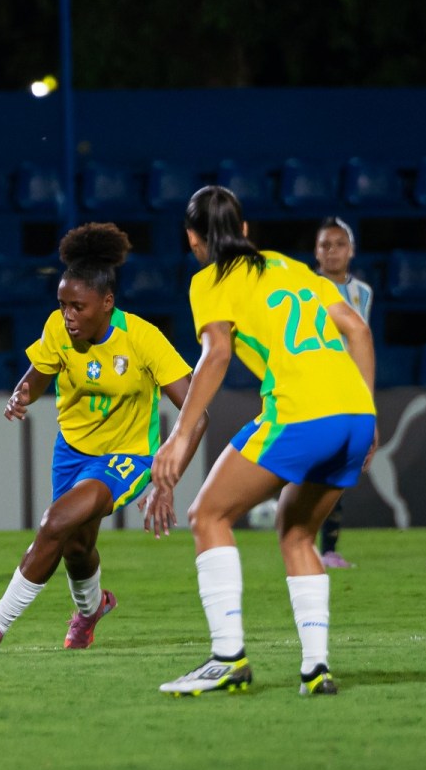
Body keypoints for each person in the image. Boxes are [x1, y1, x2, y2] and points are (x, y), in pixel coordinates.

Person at [147, 186, 377, 697]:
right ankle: (316, 670)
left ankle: (227, 658)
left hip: (302, 414)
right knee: (296, 532)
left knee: (208, 515)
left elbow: (217, 354)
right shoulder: (291, 268)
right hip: (355, 415)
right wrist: (369, 412)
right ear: (246, 231)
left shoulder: (210, 280)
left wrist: (179, 436)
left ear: (192, 239)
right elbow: (357, 330)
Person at [0, 224, 205, 655]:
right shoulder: (58, 329)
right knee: (76, 544)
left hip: (127, 456)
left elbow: (196, 413)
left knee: (54, 522)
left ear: (106, 303)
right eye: (63, 304)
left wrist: (167, 476)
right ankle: (91, 610)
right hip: (71, 452)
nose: (68, 315)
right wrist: (21, 393)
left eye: (78, 306)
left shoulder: (142, 338)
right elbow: (39, 375)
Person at [312, 217, 373, 569]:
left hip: (349, 392)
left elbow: (363, 341)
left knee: (338, 470)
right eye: (325, 245)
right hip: (316, 387)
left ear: (351, 250)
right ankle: (303, 537)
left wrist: (367, 400)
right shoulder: (306, 288)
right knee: (316, 466)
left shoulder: (362, 293)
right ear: (316, 252)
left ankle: (328, 547)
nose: (332, 251)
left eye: (338, 244)